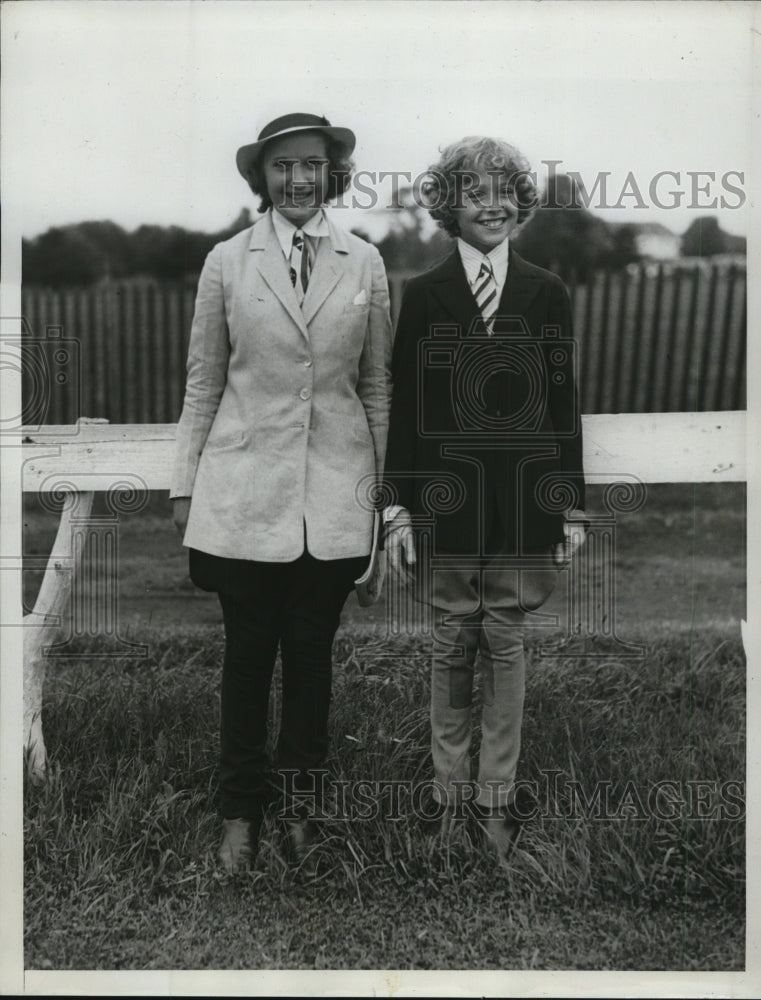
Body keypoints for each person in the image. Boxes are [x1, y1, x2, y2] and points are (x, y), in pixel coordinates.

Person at [171, 112, 392, 873]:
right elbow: (203, 382)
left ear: (332, 174)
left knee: (311, 660)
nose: (297, 180)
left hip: (334, 499)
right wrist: (184, 487)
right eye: (281, 167)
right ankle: (239, 816)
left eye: (311, 166)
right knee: (246, 655)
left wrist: (381, 498)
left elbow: (375, 385)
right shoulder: (227, 262)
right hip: (240, 495)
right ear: (259, 178)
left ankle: (300, 813)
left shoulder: (364, 262)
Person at [383, 136, 586, 858]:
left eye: (504, 189)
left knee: (505, 642)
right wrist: (396, 505)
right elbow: (406, 408)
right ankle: (445, 799)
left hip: (525, 503)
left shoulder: (545, 291)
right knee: (449, 646)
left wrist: (568, 503)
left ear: (520, 201)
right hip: (445, 502)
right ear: (450, 204)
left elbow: (561, 404)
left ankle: (495, 801)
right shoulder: (424, 293)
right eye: (475, 191)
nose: (491, 203)